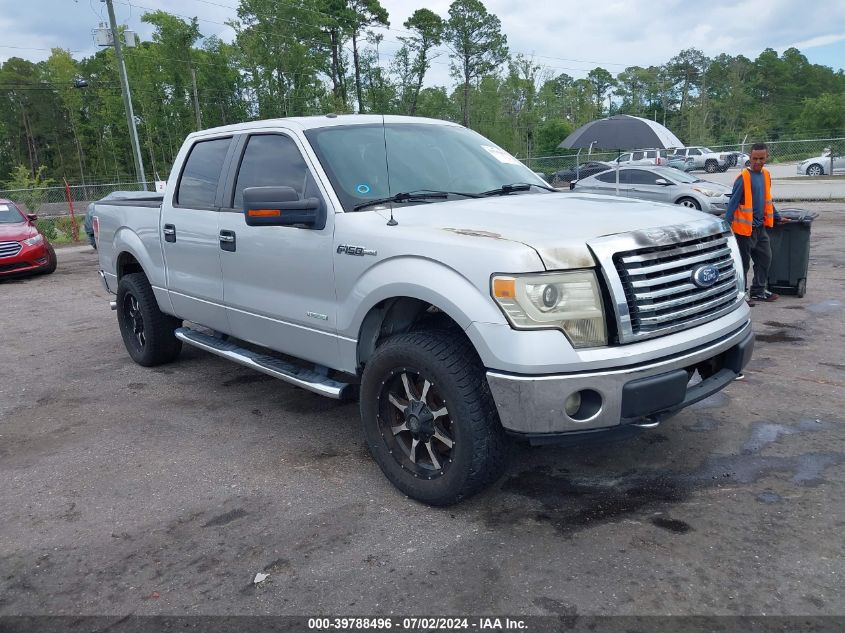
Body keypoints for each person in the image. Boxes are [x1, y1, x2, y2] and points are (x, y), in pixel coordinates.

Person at [724, 142, 785, 304]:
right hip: (744, 230)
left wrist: (778, 217)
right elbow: (733, 203)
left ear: (767, 157)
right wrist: (726, 226)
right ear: (749, 158)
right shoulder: (743, 178)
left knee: (765, 258)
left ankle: (758, 291)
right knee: (742, 264)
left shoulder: (765, 175)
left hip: (760, 228)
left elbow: (767, 200)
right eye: (755, 158)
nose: (758, 162)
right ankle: (741, 295)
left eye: (761, 158)